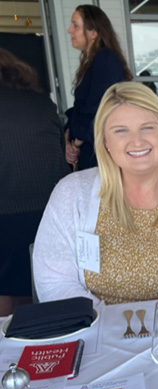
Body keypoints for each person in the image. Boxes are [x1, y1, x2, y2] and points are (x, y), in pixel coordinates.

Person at [34, 82, 158, 305]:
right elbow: (55, 283)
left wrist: (156, 323)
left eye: (148, 127)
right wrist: (110, 322)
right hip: (92, 325)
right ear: (105, 142)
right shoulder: (72, 194)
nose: (137, 141)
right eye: (121, 130)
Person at [0, 48, 70, 315]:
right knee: (39, 280)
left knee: (5, 285)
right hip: (52, 208)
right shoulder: (43, 104)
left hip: (6, 211)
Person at [64, 4, 132, 171]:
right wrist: (68, 135)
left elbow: (99, 107)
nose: (69, 30)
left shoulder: (105, 59)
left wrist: (76, 142)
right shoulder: (96, 60)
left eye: (75, 25)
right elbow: (82, 109)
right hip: (93, 148)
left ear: (93, 32)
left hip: (98, 152)